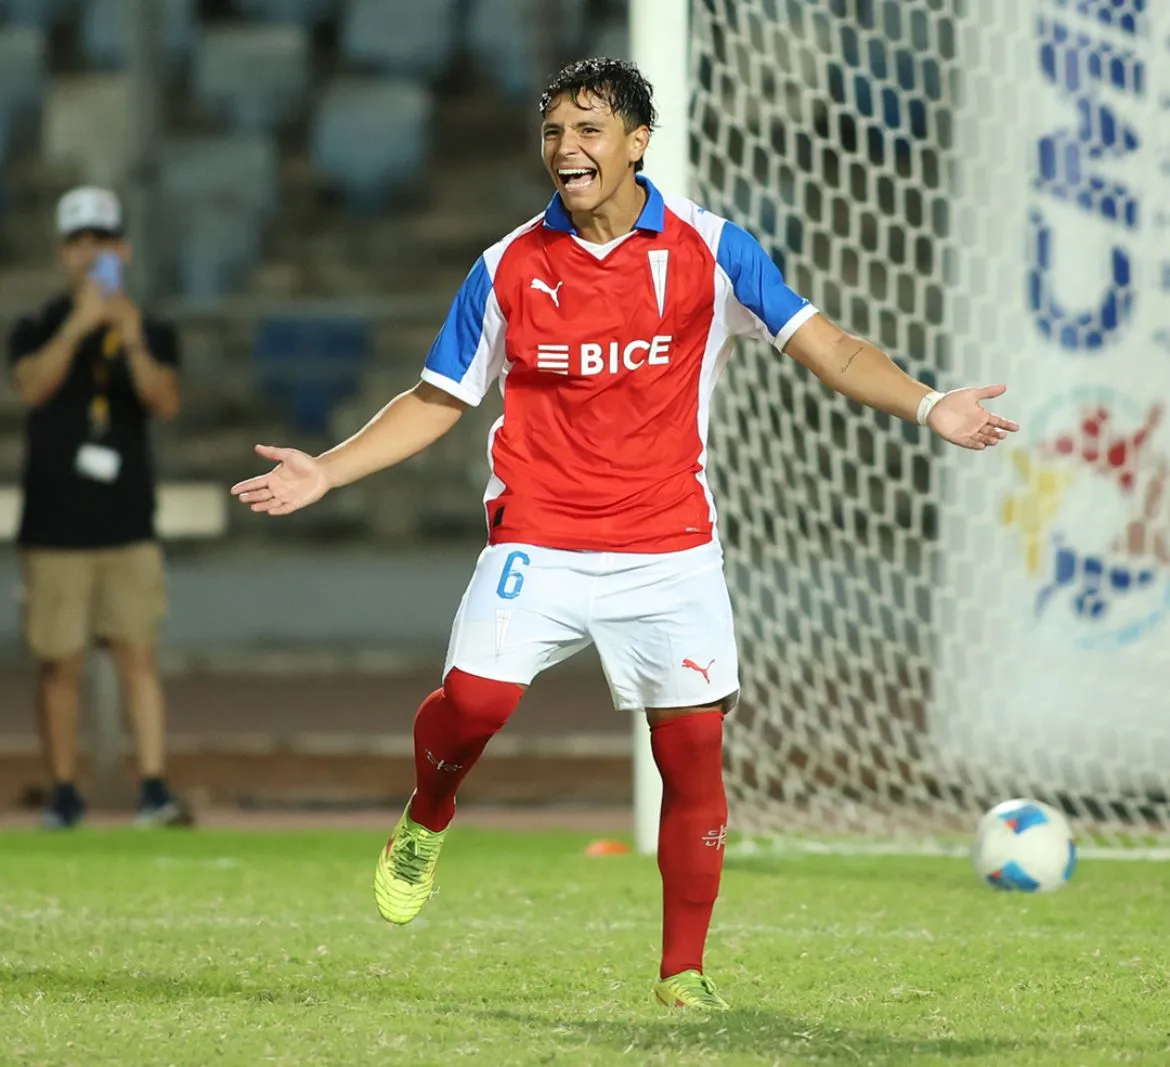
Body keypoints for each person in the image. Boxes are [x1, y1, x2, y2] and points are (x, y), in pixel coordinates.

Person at [231, 59, 1018, 1009]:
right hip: (540, 535)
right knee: (474, 704)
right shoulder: (509, 265)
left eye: (590, 129)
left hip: (669, 545)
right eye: (555, 131)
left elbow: (832, 348)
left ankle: (683, 974)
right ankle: (428, 809)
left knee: (691, 755)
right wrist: (328, 466)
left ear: (637, 142)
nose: (568, 148)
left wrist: (930, 404)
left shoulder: (711, 246)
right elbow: (438, 397)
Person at [8, 186, 187, 829]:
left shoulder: (151, 327)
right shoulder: (37, 325)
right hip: (55, 527)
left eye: (102, 242)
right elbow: (32, 386)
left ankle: (154, 788)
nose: (91, 255)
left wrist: (130, 337)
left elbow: (164, 401)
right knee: (60, 662)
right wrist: (80, 325)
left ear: (124, 249)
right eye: (80, 243)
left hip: (126, 524)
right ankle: (63, 791)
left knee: (137, 654)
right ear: (63, 254)